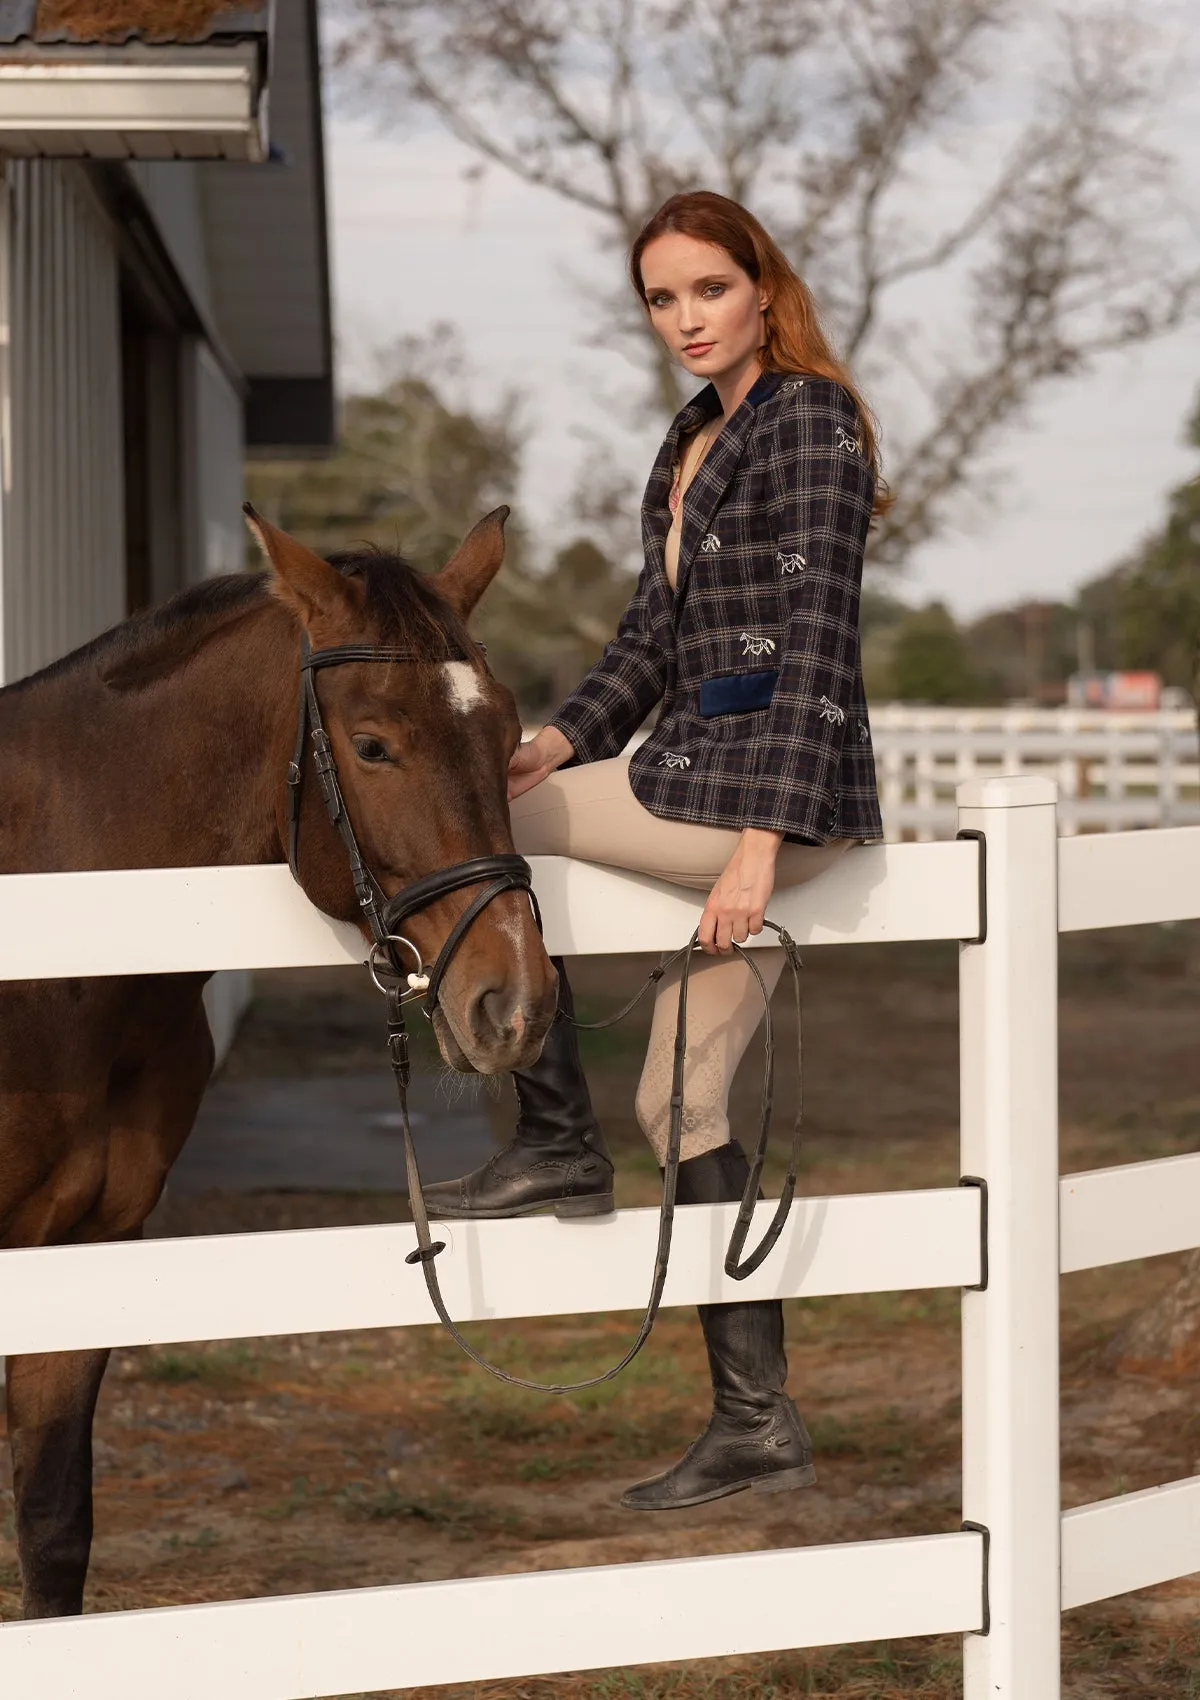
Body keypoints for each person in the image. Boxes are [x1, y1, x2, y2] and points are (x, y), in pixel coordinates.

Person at [421, 190, 888, 1511]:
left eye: (709, 291)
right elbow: (648, 640)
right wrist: (555, 743)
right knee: (679, 1101)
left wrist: (759, 847)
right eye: (662, 299)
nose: (686, 320)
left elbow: (816, 641)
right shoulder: (692, 437)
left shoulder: (808, 420)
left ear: (761, 287)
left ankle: (554, 1141)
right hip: (700, 774)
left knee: (476, 837)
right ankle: (757, 1423)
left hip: (766, 791)